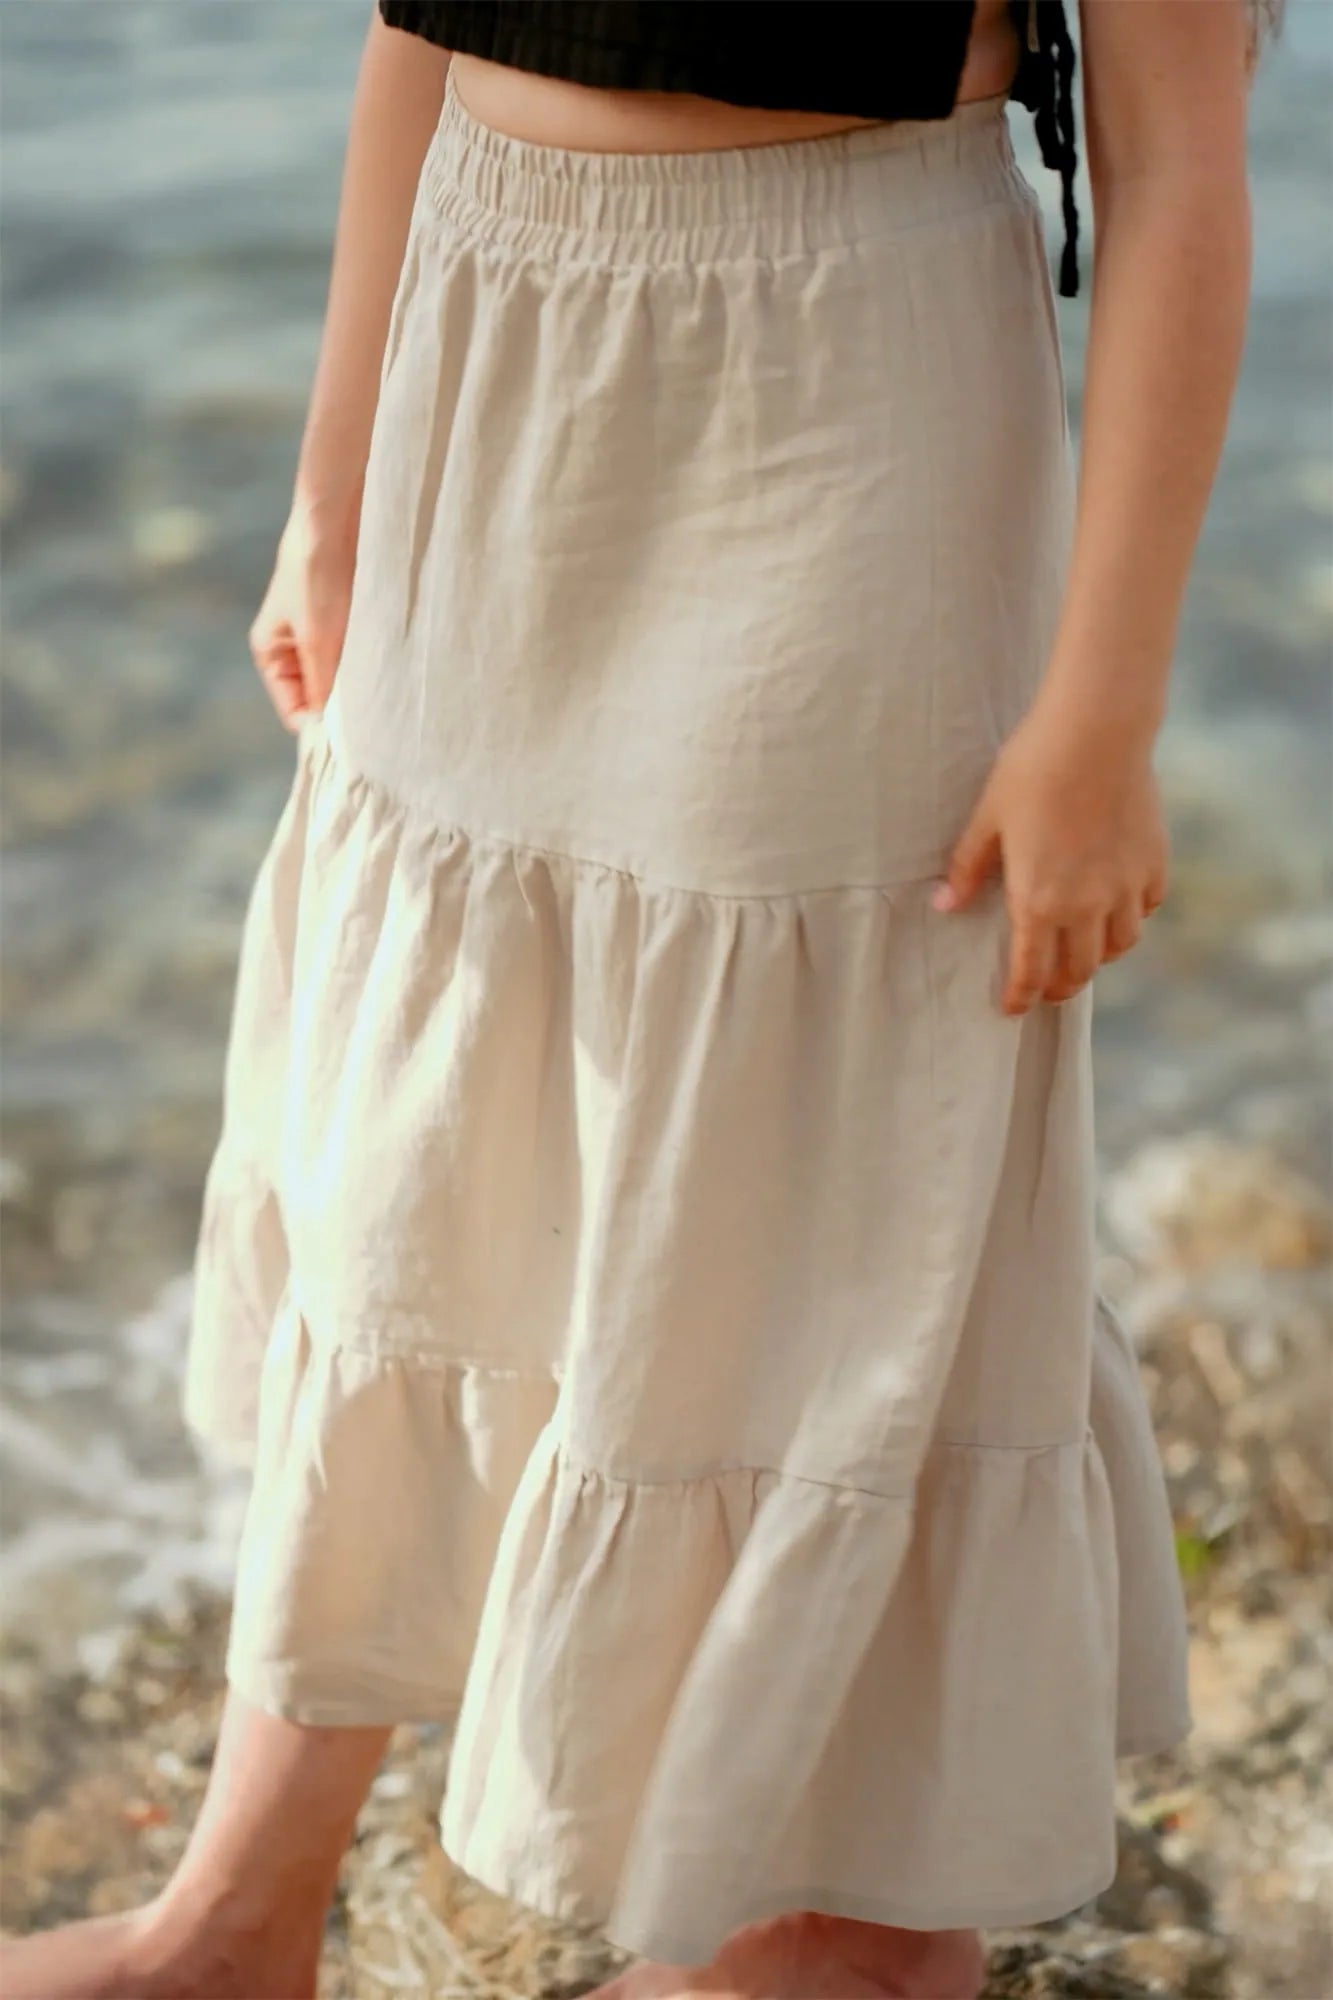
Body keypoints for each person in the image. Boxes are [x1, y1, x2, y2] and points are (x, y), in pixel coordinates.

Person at [5, 3, 1278, 1996]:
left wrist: (1099, 710)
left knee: (819, 1151)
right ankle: (235, 1918)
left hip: (843, 389)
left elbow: (1182, 163)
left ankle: (839, 1918)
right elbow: (409, 23)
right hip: (489, 328)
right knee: (423, 1121)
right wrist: (330, 474)